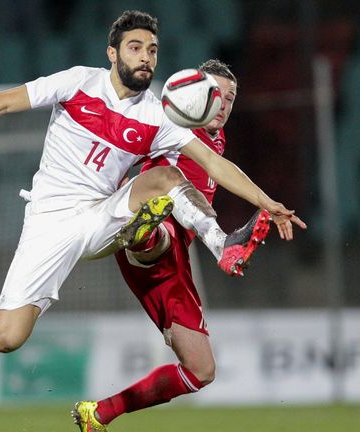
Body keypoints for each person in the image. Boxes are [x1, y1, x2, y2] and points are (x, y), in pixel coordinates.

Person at [0, 9, 304, 428]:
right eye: (136, 48)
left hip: (102, 214)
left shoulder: (156, 115)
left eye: (152, 50)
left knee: (165, 177)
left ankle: (213, 242)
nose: (146, 57)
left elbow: (214, 165)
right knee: (6, 338)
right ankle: (139, 239)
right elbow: (2, 102)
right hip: (50, 219)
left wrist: (267, 201)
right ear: (112, 53)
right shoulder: (79, 82)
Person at [71, 60, 305, 431]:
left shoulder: (216, 140)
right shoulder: (171, 124)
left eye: (230, 98)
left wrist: (267, 203)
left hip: (177, 256)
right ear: (193, 95)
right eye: (215, 95)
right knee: (163, 211)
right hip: (153, 231)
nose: (223, 104)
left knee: (201, 370)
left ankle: (98, 413)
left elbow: (222, 170)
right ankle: (146, 231)